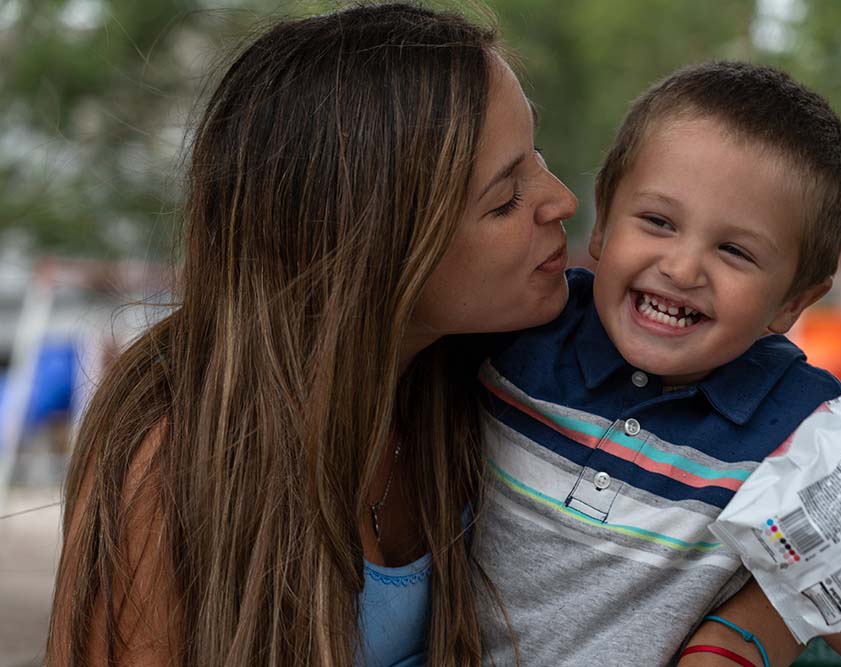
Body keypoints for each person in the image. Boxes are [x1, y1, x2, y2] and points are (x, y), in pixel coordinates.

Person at [47, 5, 579, 666]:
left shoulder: (508, 374)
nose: (562, 200)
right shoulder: (174, 450)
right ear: (375, 249)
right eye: (505, 197)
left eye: (539, 156)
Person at [471, 61, 841, 666]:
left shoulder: (805, 425)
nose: (683, 267)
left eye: (734, 251)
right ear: (604, 222)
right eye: (658, 222)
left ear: (793, 302)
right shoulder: (521, 335)